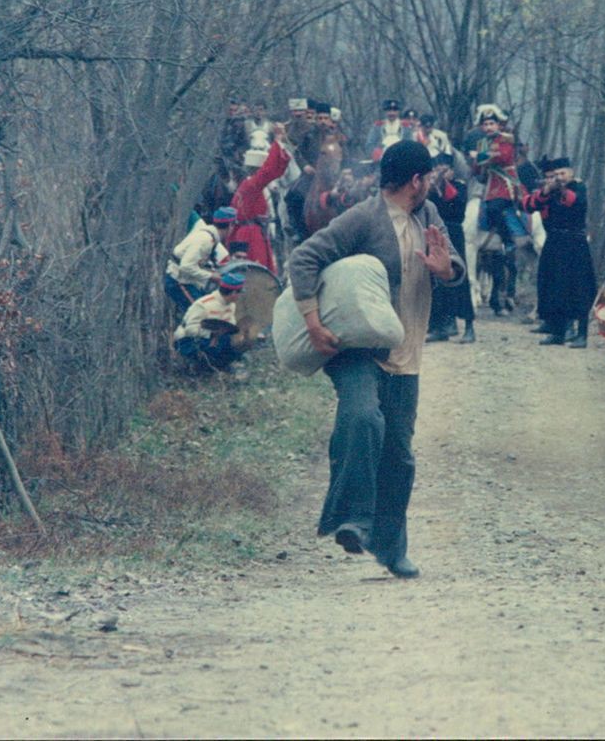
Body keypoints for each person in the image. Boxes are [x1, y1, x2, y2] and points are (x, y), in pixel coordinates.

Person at [287, 140, 466, 579]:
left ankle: (391, 548)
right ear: (417, 181)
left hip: (407, 350)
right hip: (355, 347)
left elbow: (454, 267)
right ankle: (351, 520)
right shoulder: (363, 217)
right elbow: (304, 257)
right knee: (364, 419)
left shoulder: (428, 216)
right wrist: (313, 322)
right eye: (428, 179)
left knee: (399, 455)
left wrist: (446, 270)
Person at [521, 156, 596, 348]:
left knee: (578, 289)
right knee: (552, 288)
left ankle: (581, 334)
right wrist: (546, 190)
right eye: (556, 175)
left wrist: (559, 188)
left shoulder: (578, 187)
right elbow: (528, 206)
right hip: (553, 242)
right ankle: (557, 331)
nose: (560, 177)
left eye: (563, 173)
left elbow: (574, 202)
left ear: (571, 173)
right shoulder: (548, 191)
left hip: (574, 243)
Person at [468, 105, 528, 315]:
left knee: (496, 208)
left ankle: (508, 240)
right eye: (485, 123)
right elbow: (477, 169)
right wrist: (478, 159)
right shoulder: (484, 142)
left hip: (506, 186)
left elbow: (501, 158)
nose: (488, 126)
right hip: (490, 185)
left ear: (498, 124)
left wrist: (482, 155)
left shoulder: (506, 138)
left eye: (491, 123)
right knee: (482, 207)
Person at [426, 154, 476, 343]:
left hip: (454, 234)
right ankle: (440, 326)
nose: (440, 172)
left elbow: (457, 203)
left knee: (459, 277)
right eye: (437, 168)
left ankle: (469, 326)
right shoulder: (429, 188)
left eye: (444, 168)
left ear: (452, 171)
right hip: (435, 233)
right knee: (436, 281)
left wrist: (443, 184)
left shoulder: (460, 186)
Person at [230, 123, 292, 274]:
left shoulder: (248, 184)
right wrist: (277, 141)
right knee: (258, 273)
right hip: (251, 236)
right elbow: (269, 172)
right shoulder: (252, 185)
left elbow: (273, 172)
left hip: (252, 232)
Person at [173, 271, 247, 374]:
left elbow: (230, 325)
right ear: (233, 293)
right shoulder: (204, 304)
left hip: (215, 339)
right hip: (188, 340)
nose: (240, 296)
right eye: (239, 292)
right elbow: (190, 330)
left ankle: (219, 367)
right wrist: (211, 334)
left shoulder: (231, 305)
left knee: (234, 348)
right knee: (211, 349)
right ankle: (198, 367)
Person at [164, 212, 229, 313]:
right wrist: (210, 276)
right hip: (178, 281)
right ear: (230, 226)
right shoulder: (205, 240)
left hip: (186, 281)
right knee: (203, 314)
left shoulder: (210, 238)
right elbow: (186, 267)